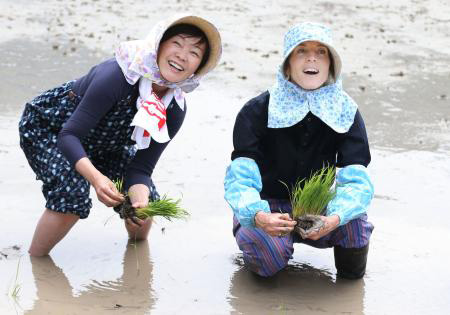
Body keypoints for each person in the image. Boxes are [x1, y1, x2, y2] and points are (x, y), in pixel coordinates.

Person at [19, 14, 222, 257]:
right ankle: (35, 262)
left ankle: (136, 263)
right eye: (177, 44)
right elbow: (69, 135)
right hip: (52, 127)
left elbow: (142, 168)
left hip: (107, 143)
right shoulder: (117, 77)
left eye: (194, 53)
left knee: (145, 211)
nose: (182, 55)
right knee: (71, 195)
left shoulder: (174, 109)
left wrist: (140, 198)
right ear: (158, 46)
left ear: (197, 69)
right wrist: (96, 179)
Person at [224, 22, 374, 279]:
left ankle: (349, 282)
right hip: (267, 207)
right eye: (301, 51)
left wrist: (334, 219)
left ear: (331, 66)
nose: (312, 57)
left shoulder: (345, 111)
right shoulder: (257, 110)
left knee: (356, 225)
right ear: (287, 64)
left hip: (317, 209)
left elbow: (357, 181)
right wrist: (258, 216)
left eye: (321, 52)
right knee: (267, 259)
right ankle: (255, 248)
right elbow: (240, 178)